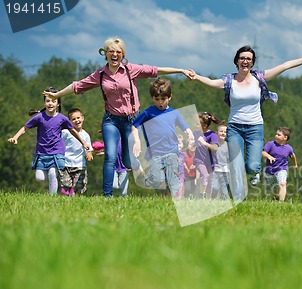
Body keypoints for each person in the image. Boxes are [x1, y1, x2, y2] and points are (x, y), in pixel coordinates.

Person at [43, 37, 191, 197]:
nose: (114, 54)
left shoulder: (130, 70)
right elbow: (77, 85)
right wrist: (57, 94)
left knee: (129, 161)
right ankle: (107, 196)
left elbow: (156, 70)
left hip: (131, 121)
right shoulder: (100, 74)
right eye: (111, 51)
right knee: (110, 156)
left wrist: (180, 70)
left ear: (123, 55)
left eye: (118, 52)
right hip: (111, 120)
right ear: (105, 54)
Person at [188, 45, 302, 200]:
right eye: (242, 58)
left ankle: (254, 173)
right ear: (237, 61)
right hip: (235, 129)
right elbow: (211, 82)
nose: (245, 61)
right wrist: (196, 77)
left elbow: (285, 65)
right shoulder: (229, 80)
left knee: (252, 166)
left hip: (255, 128)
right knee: (236, 166)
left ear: (252, 63)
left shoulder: (259, 78)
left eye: (249, 59)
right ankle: (240, 199)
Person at [8, 87, 90, 195]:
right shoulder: (39, 117)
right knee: (40, 178)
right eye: (48, 101)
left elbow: (73, 131)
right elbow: (25, 128)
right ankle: (50, 180)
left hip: (57, 152)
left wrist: (83, 142)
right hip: (41, 152)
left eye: (53, 101)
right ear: (44, 103)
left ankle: (52, 198)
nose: (50, 103)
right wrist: (15, 137)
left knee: (52, 173)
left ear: (58, 104)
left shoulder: (62, 118)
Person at [131, 78, 194, 199]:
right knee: (157, 180)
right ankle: (150, 178)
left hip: (172, 151)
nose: (160, 102)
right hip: (155, 153)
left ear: (170, 97)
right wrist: (137, 142)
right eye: (157, 99)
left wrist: (190, 134)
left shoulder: (174, 113)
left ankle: (175, 200)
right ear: (152, 98)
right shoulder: (148, 112)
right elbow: (134, 125)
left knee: (173, 180)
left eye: (163, 99)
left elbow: (185, 126)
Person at [61, 108, 94, 196]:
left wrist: (89, 153)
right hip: (66, 164)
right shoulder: (66, 132)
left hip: (80, 165)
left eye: (78, 118)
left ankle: (77, 200)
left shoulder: (85, 135)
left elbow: (89, 148)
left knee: (80, 186)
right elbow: (58, 143)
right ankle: (67, 200)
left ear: (82, 118)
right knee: (65, 185)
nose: (77, 120)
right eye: (73, 119)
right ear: (69, 121)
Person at [262, 127, 298, 202]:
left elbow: (292, 156)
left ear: (285, 137)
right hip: (270, 171)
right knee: (274, 189)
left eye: (279, 135)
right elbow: (263, 152)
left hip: (281, 169)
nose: (276, 136)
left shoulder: (288, 148)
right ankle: (276, 198)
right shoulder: (270, 144)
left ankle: (281, 203)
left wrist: (295, 164)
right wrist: (269, 156)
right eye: (276, 134)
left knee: (282, 184)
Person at [193, 112, 224, 199]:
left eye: (197, 123)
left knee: (210, 182)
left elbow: (215, 148)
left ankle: (208, 199)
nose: (195, 125)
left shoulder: (212, 135)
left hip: (210, 162)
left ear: (205, 125)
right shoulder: (195, 133)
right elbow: (191, 141)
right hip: (199, 160)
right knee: (205, 175)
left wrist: (204, 143)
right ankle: (201, 194)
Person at [212, 124, 230, 200]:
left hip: (225, 171)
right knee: (215, 188)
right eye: (221, 131)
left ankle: (222, 204)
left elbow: (230, 159)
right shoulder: (213, 144)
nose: (223, 133)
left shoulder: (228, 145)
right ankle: (211, 200)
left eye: (225, 132)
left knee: (225, 193)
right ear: (216, 133)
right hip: (214, 171)